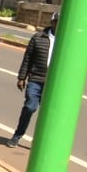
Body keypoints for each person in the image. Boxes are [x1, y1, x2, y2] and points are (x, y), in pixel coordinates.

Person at [9, 14, 58, 148]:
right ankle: (17, 135)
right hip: (36, 79)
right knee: (30, 107)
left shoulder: (67, 40)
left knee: (47, 114)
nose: (59, 24)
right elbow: (28, 58)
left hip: (55, 84)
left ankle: (40, 141)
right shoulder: (38, 37)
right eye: (57, 21)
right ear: (52, 22)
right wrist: (22, 77)